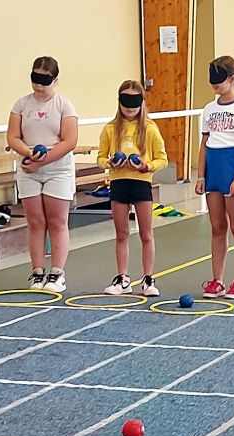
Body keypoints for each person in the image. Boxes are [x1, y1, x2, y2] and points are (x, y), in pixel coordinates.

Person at [8, 57, 78, 293]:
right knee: (36, 222)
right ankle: (37, 271)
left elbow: (69, 141)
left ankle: (57, 272)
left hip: (58, 169)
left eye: (44, 80)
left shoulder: (64, 106)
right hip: (29, 168)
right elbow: (13, 137)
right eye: (35, 78)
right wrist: (29, 154)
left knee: (57, 221)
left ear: (55, 80)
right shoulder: (21, 105)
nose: (39, 85)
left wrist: (44, 161)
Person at [97, 81, 168, 297]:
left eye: (134, 101)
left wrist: (147, 166)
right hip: (119, 183)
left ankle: (148, 278)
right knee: (122, 233)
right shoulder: (110, 129)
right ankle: (123, 278)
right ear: (119, 101)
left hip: (141, 183)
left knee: (146, 233)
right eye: (125, 101)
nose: (130, 107)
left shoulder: (150, 129)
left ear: (142, 102)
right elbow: (101, 157)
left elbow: (162, 159)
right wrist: (110, 163)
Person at [196, 56, 234, 300]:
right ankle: (217, 280)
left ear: (232, 79)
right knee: (217, 226)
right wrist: (201, 176)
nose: (215, 84)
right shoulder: (209, 109)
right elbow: (204, 143)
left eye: (219, 79)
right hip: (214, 171)